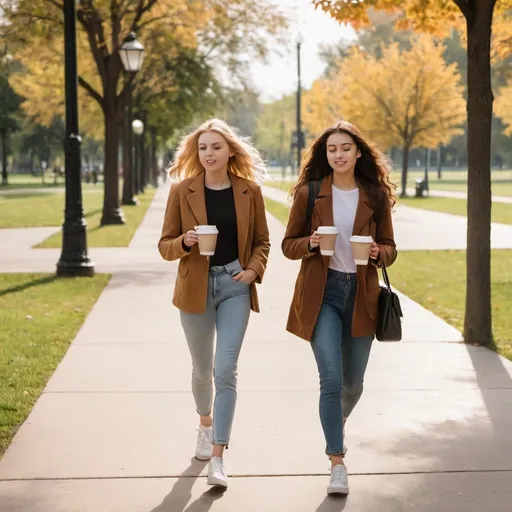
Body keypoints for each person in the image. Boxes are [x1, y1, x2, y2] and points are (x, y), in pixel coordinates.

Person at [282, 121, 397, 495]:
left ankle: (336, 421)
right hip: (322, 295)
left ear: (358, 152)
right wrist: (311, 243)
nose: (339, 154)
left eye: (345, 148)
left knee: (353, 383)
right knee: (330, 380)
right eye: (332, 149)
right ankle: (337, 462)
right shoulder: (310, 193)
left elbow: (391, 247)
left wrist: (381, 252)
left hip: (362, 294)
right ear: (325, 154)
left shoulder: (375, 195)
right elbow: (288, 245)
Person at [158, 119, 270, 488]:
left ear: (230, 152)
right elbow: (165, 246)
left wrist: (253, 271)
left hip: (235, 283)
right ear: (197, 152)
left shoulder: (249, 191)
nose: (209, 153)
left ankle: (218, 457)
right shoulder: (182, 191)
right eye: (203, 147)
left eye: (216, 147)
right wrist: (185, 242)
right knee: (202, 369)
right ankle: (205, 424)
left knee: (226, 370)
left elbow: (261, 242)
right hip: (196, 288)